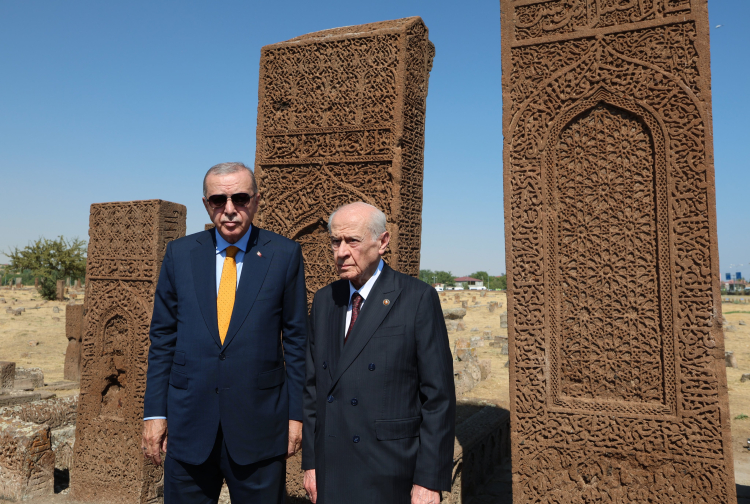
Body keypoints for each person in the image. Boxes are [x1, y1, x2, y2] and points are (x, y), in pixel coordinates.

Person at [141, 162, 307, 504]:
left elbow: (296, 341)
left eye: (240, 198)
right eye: (219, 200)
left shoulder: (284, 254)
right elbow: (162, 340)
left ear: (256, 200)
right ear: (206, 204)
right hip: (189, 425)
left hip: (259, 426)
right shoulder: (180, 254)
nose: (229, 209)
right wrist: (155, 413)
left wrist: (296, 416)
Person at [302, 202, 456, 504]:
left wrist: (428, 481)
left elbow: (438, 398)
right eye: (335, 241)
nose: (341, 252)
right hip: (332, 467)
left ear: (382, 242)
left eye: (352, 241)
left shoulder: (416, 298)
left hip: (390, 470)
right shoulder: (324, 301)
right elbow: (312, 389)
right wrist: (311, 463)